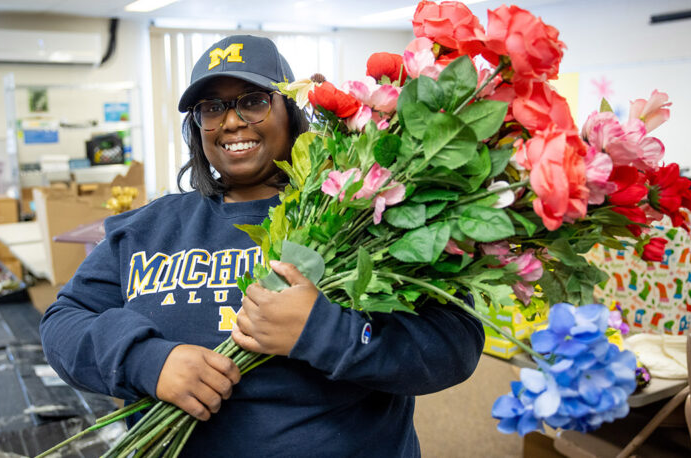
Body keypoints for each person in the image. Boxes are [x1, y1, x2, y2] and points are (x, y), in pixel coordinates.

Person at [40, 35, 484, 457]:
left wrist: (325, 332)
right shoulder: (146, 228)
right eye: (211, 108)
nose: (231, 121)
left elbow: (454, 342)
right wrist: (147, 360)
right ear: (197, 127)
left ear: (290, 112)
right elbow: (62, 323)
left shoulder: (367, 215)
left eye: (252, 101)